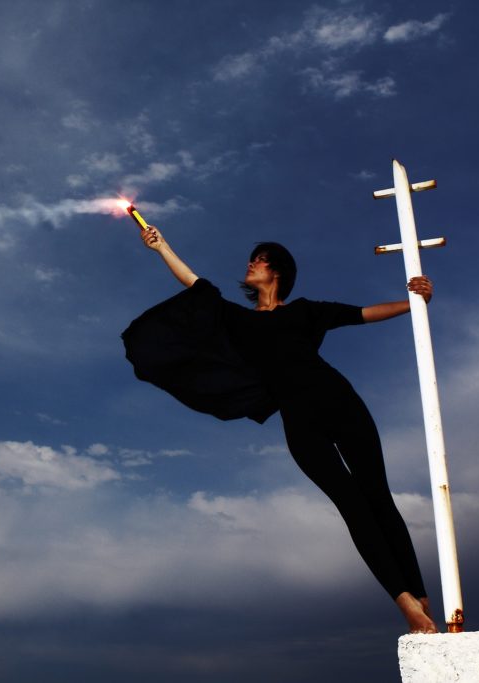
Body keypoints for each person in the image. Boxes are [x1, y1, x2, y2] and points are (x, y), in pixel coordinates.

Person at [129, 224, 438, 634]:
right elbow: (195, 284)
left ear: (277, 270)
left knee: (378, 496)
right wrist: (162, 246)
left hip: (340, 401)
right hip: (299, 420)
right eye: (252, 259)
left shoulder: (306, 311)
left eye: (259, 259)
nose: (250, 264)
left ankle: (422, 599)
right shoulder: (237, 320)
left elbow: (363, 314)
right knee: (352, 505)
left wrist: (416, 301)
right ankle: (404, 605)